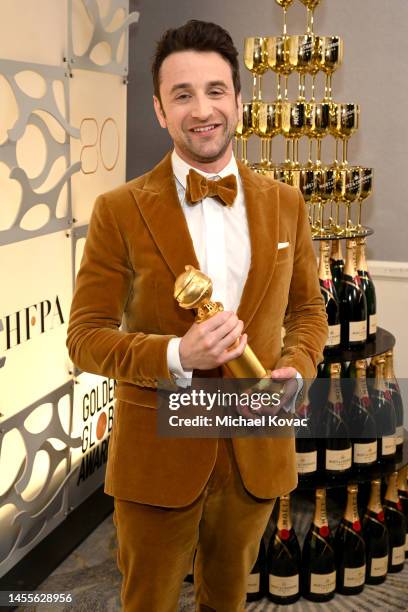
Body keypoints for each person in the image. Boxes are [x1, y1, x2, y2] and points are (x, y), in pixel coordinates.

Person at [67, 19, 327, 612]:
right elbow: (84, 338)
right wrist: (176, 355)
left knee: (229, 598)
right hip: (157, 453)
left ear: (238, 100)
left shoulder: (286, 203)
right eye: (182, 94)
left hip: (253, 447)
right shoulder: (118, 210)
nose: (201, 109)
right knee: (148, 601)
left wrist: (296, 365)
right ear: (160, 109)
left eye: (215, 90)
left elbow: (308, 312)